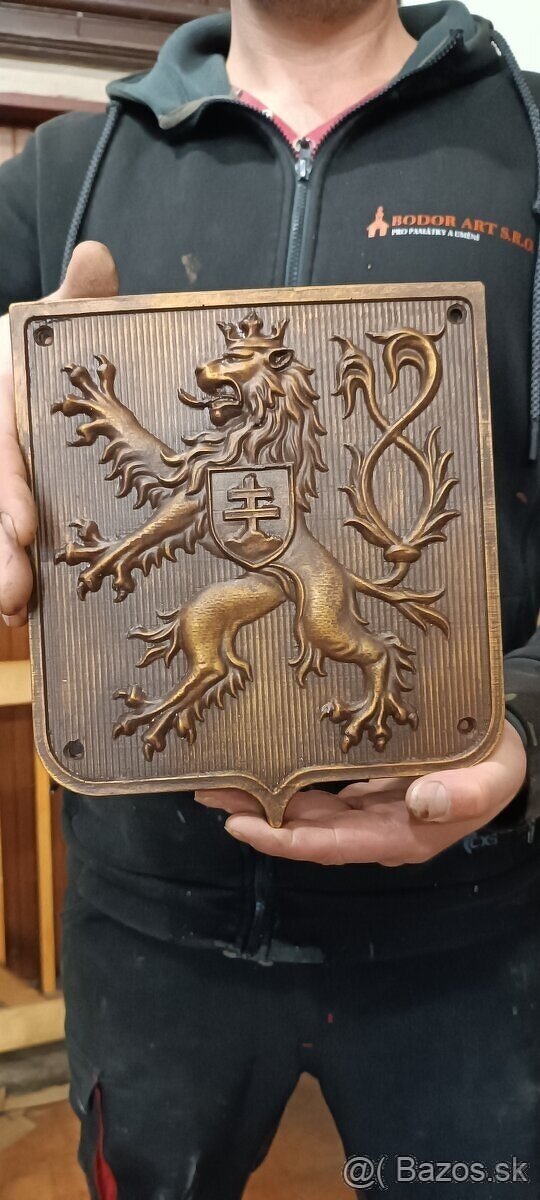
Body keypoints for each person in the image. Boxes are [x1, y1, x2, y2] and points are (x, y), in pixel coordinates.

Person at [0, 0, 539, 1195]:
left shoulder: (530, 141)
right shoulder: (59, 177)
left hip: (475, 928)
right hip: (146, 932)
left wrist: (532, 716)